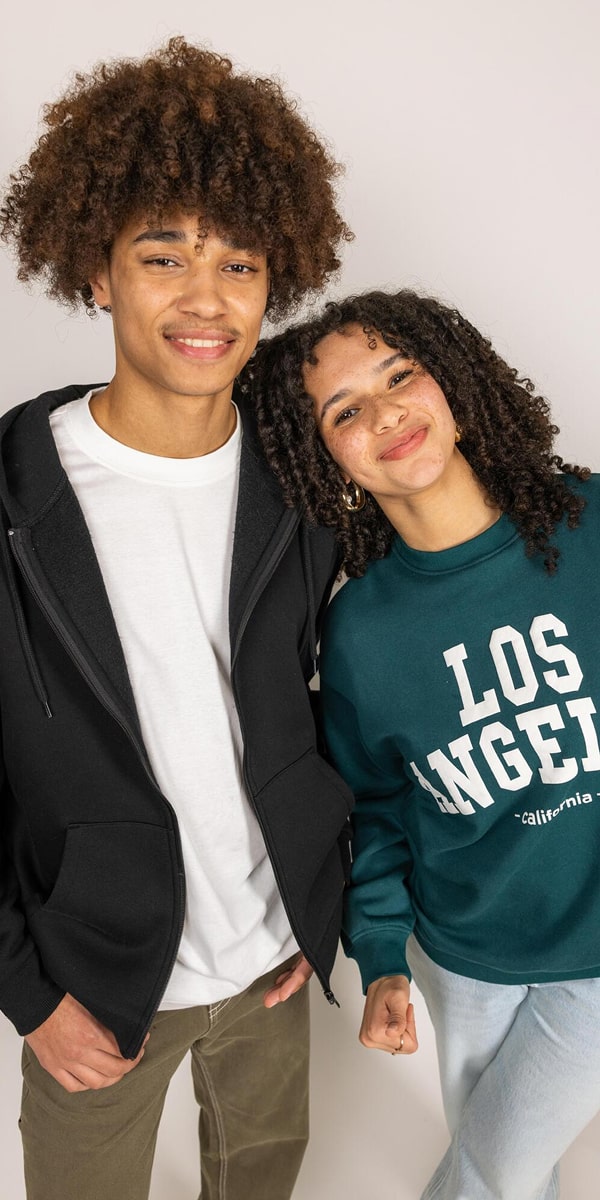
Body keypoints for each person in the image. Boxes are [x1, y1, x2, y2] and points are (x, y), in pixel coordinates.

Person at [0, 38, 354, 1200]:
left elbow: (342, 695)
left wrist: (321, 893)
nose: (207, 300)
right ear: (96, 272)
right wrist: (27, 993)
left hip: (273, 972)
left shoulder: (308, 482)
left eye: (239, 264)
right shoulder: (14, 495)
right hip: (93, 991)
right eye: (163, 257)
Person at [250, 288, 600, 1199]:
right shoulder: (359, 632)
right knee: (514, 1176)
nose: (384, 414)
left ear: (452, 383)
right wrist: (380, 957)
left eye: (399, 375)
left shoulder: (590, 525)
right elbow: (374, 808)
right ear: (324, 458)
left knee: (488, 1174)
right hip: (464, 956)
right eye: (344, 411)